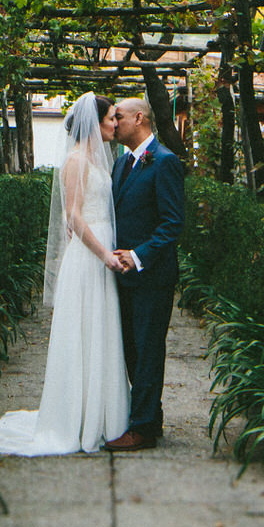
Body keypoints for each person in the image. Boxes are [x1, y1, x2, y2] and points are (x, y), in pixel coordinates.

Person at [0, 93, 132, 456]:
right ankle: (78, 417)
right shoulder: (77, 161)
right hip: (91, 258)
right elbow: (76, 217)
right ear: (94, 123)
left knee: (102, 332)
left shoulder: (101, 159)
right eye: (111, 118)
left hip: (102, 250)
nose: (115, 123)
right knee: (85, 332)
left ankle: (104, 413)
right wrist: (105, 256)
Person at [103, 96, 183, 453]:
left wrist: (137, 256)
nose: (113, 123)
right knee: (131, 350)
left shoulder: (165, 162)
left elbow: (172, 224)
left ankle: (142, 429)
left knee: (148, 350)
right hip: (122, 275)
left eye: (118, 117)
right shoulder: (120, 165)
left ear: (140, 118)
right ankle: (151, 415)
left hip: (152, 275)